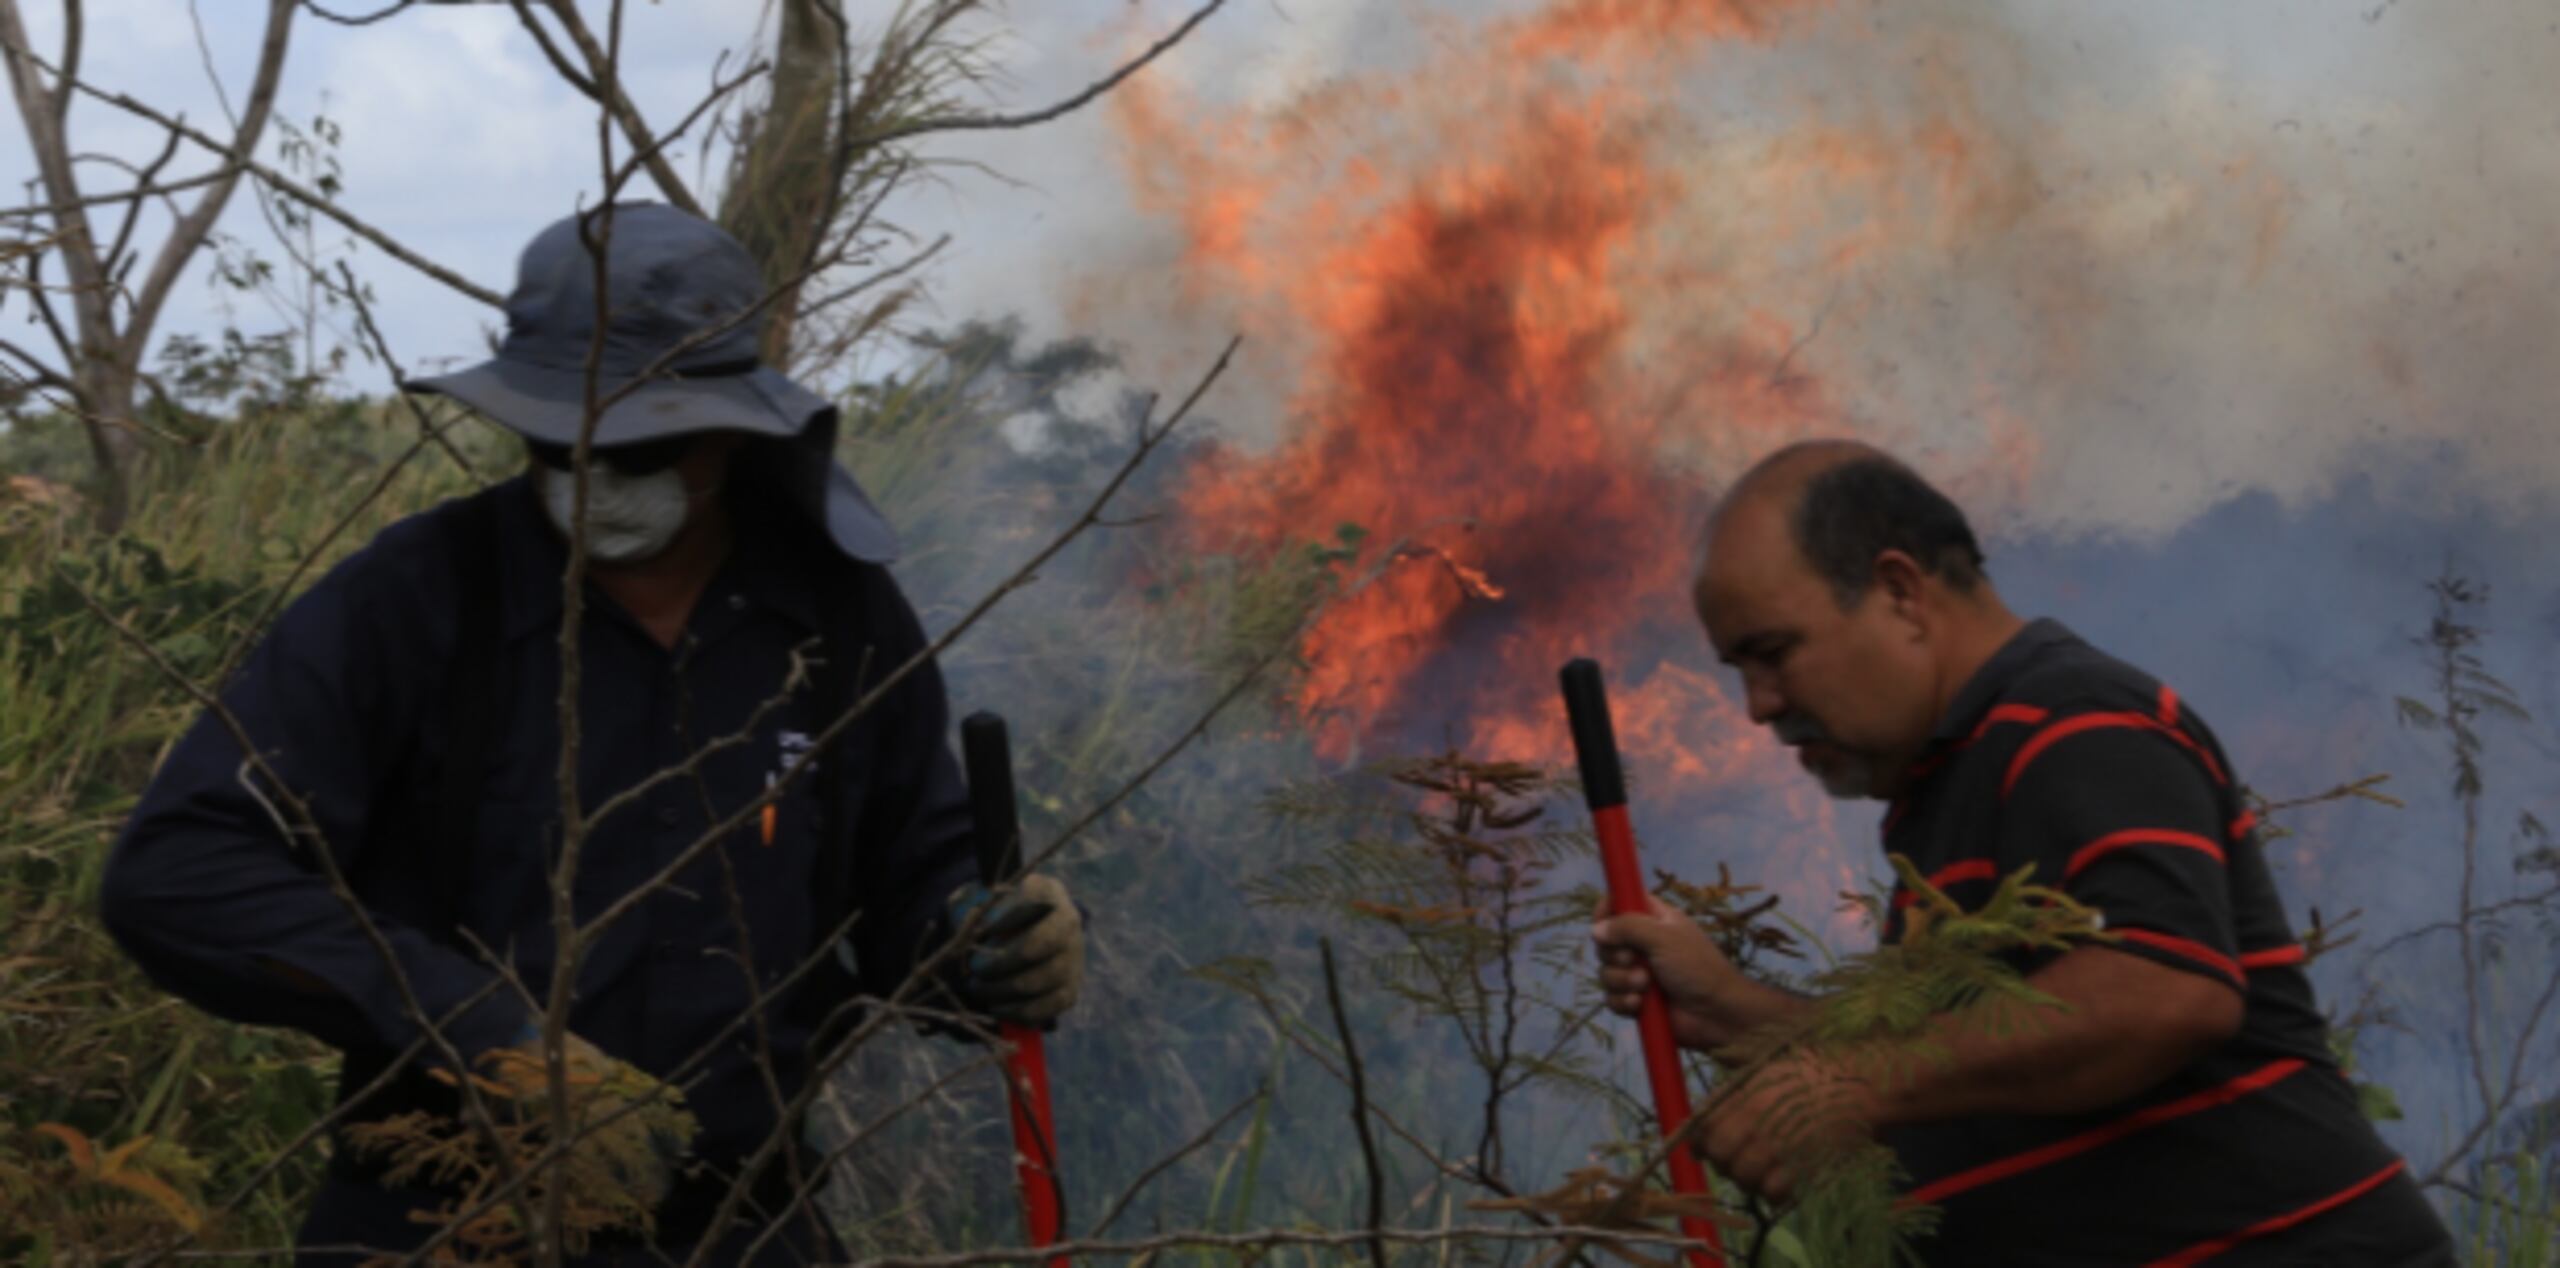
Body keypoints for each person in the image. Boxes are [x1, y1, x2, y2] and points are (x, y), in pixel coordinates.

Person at [99, 203, 1086, 1265]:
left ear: (734, 427)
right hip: (441, 1223)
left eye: (643, 439)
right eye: (560, 437)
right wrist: (482, 1033)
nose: (596, 470)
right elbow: (178, 869)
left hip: (741, 1224)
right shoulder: (417, 600)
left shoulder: (836, 619)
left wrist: (978, 940)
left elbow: (909, 880)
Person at [1593, 441, 2454, 1265]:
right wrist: (1734, 1010)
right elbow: (1968, 1055)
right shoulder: (1945, 787)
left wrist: (1855, 1083)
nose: (1757, 705)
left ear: (1898, 591)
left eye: (1773, 654)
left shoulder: (2070, 718)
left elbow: (2164, 990)